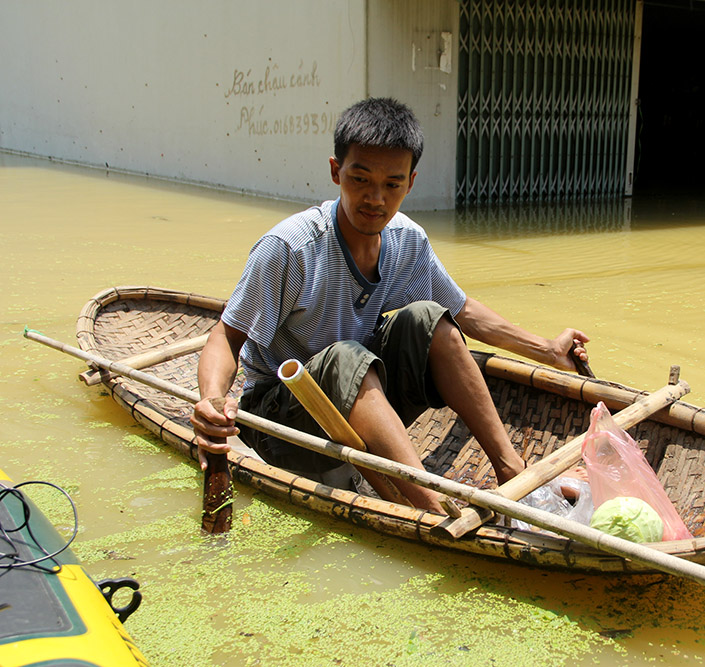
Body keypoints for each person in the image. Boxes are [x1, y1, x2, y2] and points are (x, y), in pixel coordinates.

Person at [191, 97, 588, 512]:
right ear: (335, 172)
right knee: (348, 358)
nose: (375, 199)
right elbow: (226, 335)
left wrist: (547, 350)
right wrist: (211, 403)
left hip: (362, 399)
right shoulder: (290, 248)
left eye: (392, 184)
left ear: (410, 183)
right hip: (283, 422)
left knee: (430, 319)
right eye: (360, 180)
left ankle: (512, 470)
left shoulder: (406, 241)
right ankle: (433, 508)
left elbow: (463, 311)